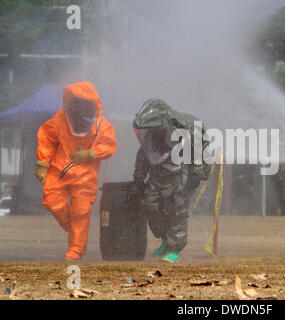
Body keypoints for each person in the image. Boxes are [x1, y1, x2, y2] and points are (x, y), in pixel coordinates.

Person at [36, 81, 117, 261]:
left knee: (81, 210)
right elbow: (46, 138)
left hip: (85, 174)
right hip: (59, 169)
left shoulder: (101, 125)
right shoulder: (60, 120)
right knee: (51, 200)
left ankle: (76, 249)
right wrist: (43, 163)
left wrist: (91, 153)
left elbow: (109, 145)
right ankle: (74, 229)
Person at [132, 99, 211, 263]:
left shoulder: (189, 126)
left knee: (178, 211)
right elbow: (144, 154)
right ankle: (165, 240)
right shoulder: (151, 132)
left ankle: (174, 249)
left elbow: (201, 151)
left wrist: (197, 173)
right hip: (159, 171)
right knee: (150, 203)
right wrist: (139, 178)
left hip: (183, 172)